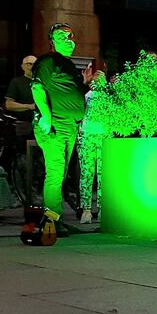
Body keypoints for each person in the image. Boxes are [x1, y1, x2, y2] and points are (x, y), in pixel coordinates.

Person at [31, 23, 94, 237]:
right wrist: (46, 117)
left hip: (68, 126)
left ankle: (56, 219)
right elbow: (37, 87)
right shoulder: (48, 61)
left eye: (70, 36)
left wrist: (84, 83)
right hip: (55, 126)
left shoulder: (66, 65)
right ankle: (51, 222)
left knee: (61, 174)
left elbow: (66, 91)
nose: (68, 40)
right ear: (52, 41)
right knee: (56, 173)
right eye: (61, 36)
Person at [78, 61, 107, 224]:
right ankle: (86, 210)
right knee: (86, 173)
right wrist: (84, 84)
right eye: (91, 69)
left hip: (104, 137)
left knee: (103, 174)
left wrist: (106, 87)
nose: (95, 74)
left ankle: (103, 209)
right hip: (86, 136)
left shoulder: (109, 94)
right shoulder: (83, 94)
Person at [4, 55, 37, 138]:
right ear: (23, 66)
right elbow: (8, 105)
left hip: (43, 125)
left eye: (35, 64)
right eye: (29, 64)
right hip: (24, 125)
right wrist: (30, 106)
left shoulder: (44, 83)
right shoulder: (17, 82)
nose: (32, 67)